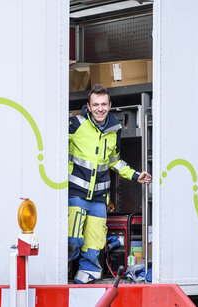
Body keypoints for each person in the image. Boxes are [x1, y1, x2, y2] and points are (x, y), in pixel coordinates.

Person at [68, 84, 151, 284]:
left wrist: (135, 175)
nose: (100, 109)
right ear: (88, 106)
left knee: (94, 245)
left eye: (104, 104)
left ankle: (84, 282)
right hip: (76, 195)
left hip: (99, 199)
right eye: (95, 104)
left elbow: (115, 161)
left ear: (110, 105)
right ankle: (64, 272)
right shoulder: (75, 125)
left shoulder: (115, 129)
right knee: (73, 241)